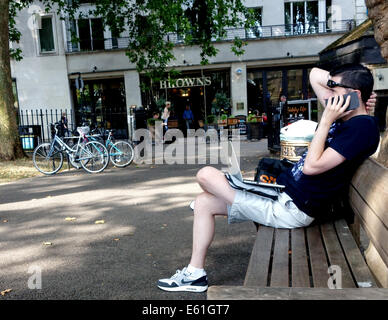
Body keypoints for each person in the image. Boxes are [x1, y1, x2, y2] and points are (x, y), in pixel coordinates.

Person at [156, 63, 380, 293]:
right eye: (329, 89)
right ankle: (195, 274)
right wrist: (348, 90)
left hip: (293, 209)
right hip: (283, 195)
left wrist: (325, 120)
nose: (328, 94)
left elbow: (312, 167)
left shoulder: (360, 128)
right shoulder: (347, 117)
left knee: (206, 176)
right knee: (203, 202)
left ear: (355, 95)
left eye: (334, 90)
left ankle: (231, 195)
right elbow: (314, 74)